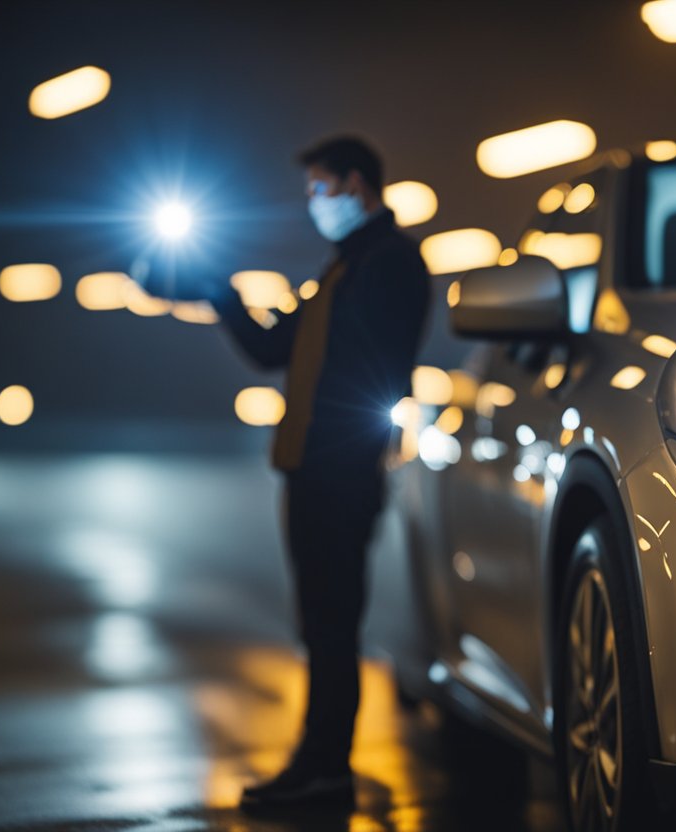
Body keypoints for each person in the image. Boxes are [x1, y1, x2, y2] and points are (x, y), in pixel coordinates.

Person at [146, 135, 430, 810]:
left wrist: (350, 454)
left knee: (333, 625)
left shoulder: (389, 264)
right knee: (319, 624)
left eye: (320, 188)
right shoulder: (343, 267)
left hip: (341, 472)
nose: (314, 203)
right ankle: (317, 762)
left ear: (357, 186)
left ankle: (325, 768)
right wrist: (220, 292)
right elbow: (274, 349)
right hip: (311, 468)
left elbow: (369, 366)